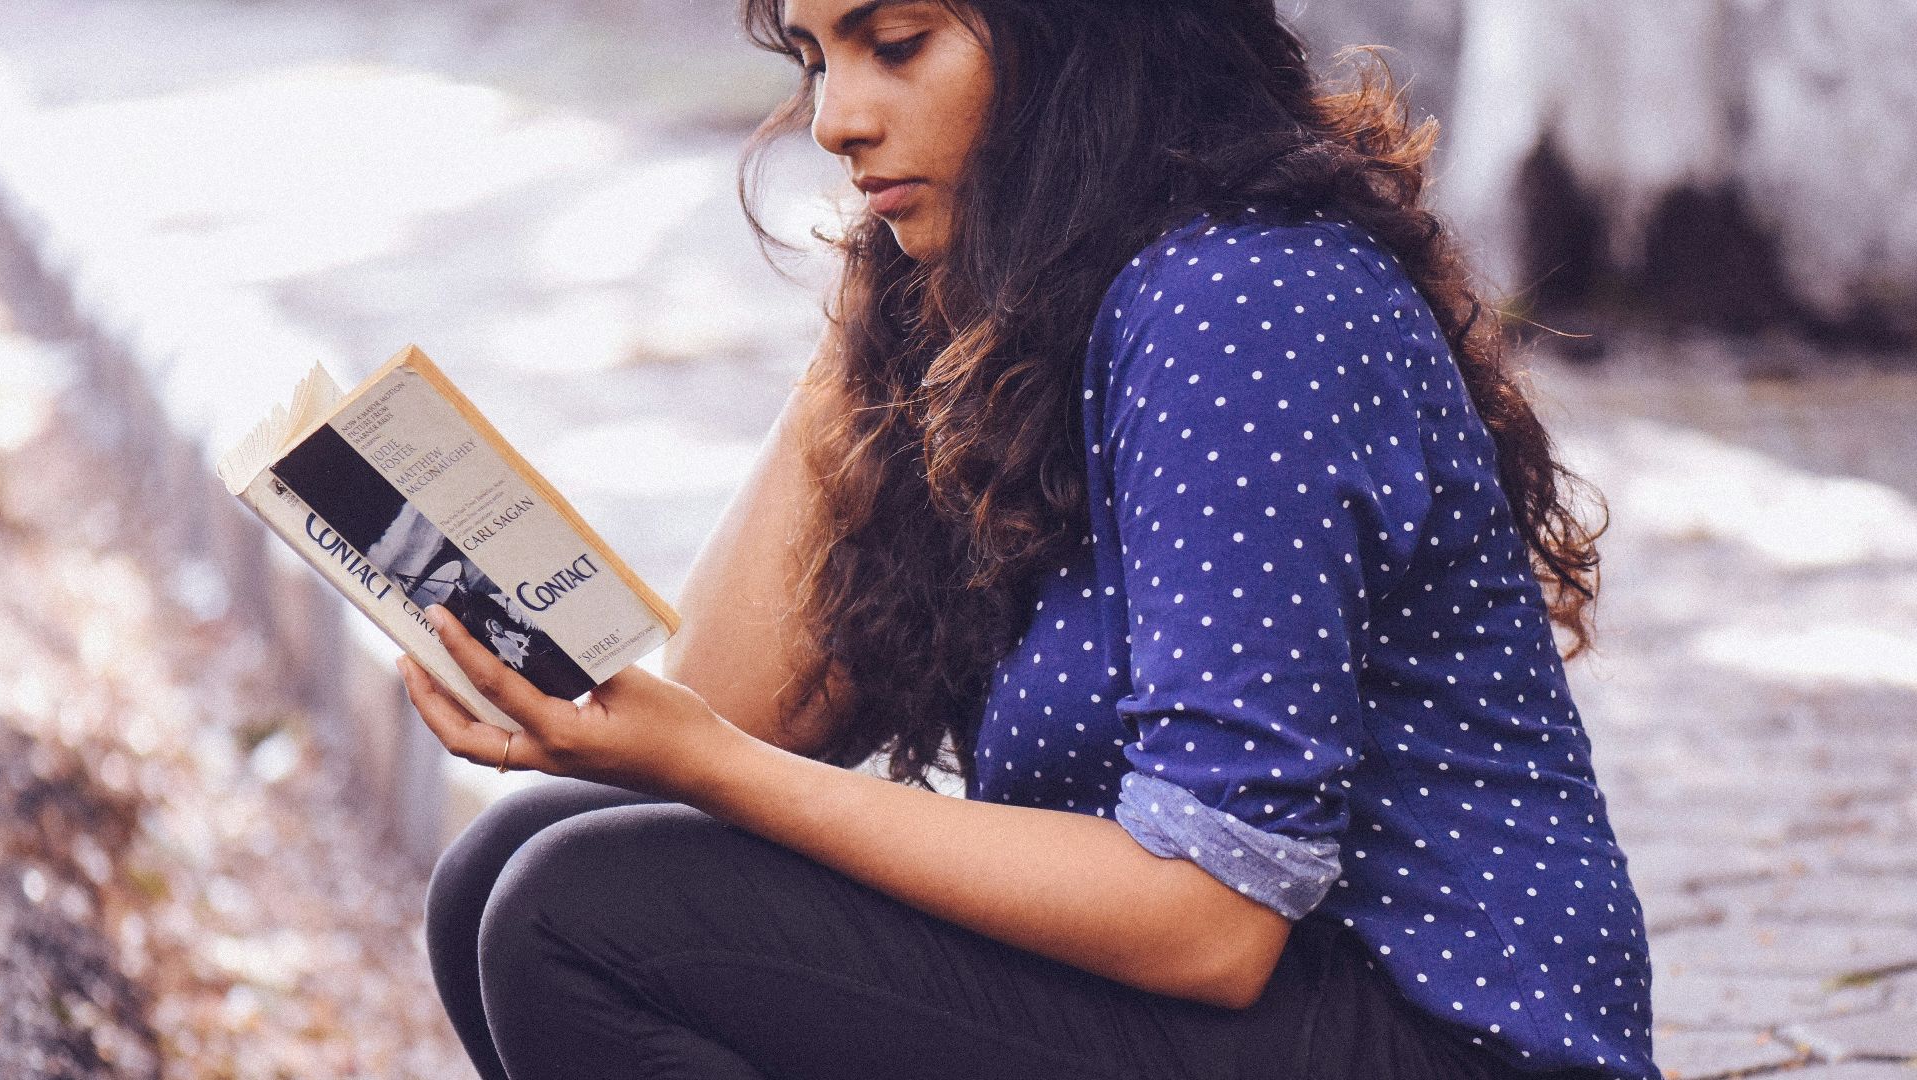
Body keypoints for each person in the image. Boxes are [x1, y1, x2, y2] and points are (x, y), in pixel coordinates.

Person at [404, 1, 1655, 1077]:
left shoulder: (1243, 301)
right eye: (814, 59)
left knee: (579, 916)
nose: (836, 121)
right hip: (1258, 1019)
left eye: (896, 44)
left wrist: (710, 766)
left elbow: (1213, 918)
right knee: (509, 864)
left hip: (1429, 1037)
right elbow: (742, 706)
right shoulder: (1035, 295)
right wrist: (876, 306)